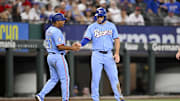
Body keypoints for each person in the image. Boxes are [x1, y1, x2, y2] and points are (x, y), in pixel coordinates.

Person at [74, 7, 125, 101]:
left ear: (105, 16)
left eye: (101, 16)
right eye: (98, 16)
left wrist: (117, 53)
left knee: (114, 77)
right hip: (96, 54)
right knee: (95, 78)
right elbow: (86, 39)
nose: (99, 18)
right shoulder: (92, 27)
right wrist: (80, 44)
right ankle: (95, 98)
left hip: (109, 54)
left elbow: (117, 39)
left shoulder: (111, 26)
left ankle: (119, 97)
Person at [35, 13, 80, 101]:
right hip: (58, 57)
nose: (64, 22)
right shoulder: (56, 31)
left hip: (50, 56)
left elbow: (58, 48)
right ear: (57, 21)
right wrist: (72, 48)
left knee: (54, 79)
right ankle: (65, 99)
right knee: (65, 79)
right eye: (62, 20)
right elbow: (60, 47)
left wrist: (70, 48)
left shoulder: (49, 30)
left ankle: (41, 95)